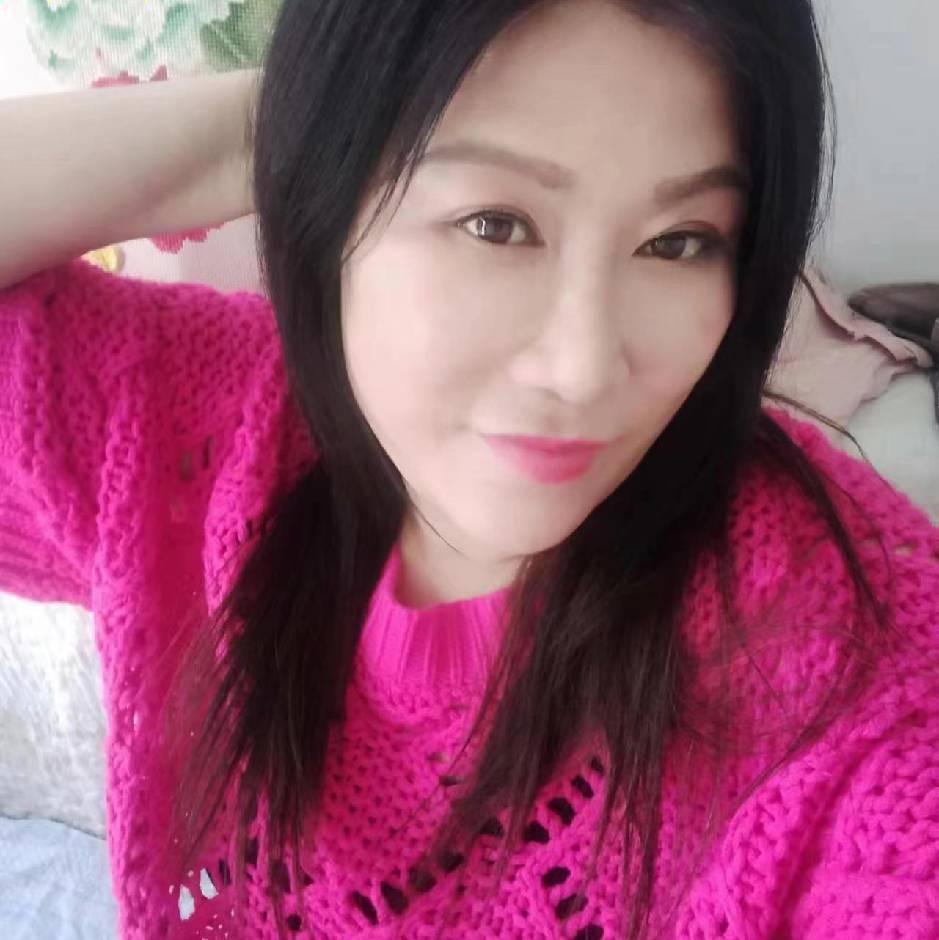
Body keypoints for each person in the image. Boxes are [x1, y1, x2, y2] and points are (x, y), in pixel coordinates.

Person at [1, 1, 937, 938]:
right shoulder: (195, 428)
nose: (583, 369)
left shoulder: (845, 648)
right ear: (331, 203)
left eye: (678, 241)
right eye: (496, 223)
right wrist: (282, 123)